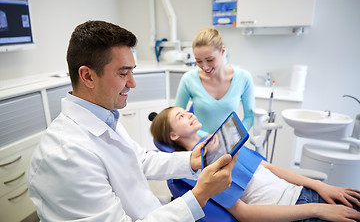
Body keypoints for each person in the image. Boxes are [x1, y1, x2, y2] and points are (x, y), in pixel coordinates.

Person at [26, 20, 238, 222]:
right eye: (123, 73)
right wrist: (200, 194)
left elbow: (139, 159)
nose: (132, 83)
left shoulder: (104, 116)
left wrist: (192, 160)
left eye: (132, 71)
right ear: (88, 76)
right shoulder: (65, 156)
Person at [150, 106, 360, 222]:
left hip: (305, 193)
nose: (190, 114)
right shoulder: (195, 173)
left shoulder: (218, 140)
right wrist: (316, 210)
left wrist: (321, 186)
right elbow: (244, 214)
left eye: (187, 111)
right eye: (181, 116)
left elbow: (268, 167)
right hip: (296, 211)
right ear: (173, 134)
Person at [175, 28, 255, 137]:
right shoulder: (188, 79)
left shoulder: (243, 78)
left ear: (222, 51)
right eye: (198, 61)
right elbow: (176, 120)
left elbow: (250, 117)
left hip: (230, 145)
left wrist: (235, 137)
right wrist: (209, 138)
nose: (205, 66)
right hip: (200, 143)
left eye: (210, 60)